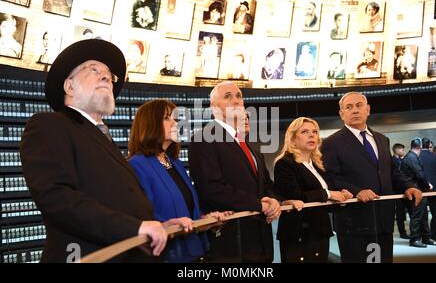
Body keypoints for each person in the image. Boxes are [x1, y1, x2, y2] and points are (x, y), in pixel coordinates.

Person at [19, 39, 176, 262]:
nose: (106, 77)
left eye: (109, 75)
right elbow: (58, 197)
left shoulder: (103, 138)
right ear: (69, 87)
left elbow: (115, 199)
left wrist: (155, 225)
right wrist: (135, 227)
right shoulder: (49, 125)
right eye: (94, 70)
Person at [189, 81, 300, 262]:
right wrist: (259, 205)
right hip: (231, 243)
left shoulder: (250, 147)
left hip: (260, 241)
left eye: (239, 96)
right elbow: (211, 189)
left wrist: (273, 199)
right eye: (228, 96)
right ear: (214, 107)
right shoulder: (203, 138)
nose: (236, 101)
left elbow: (266, 184)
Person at [321, 92, 422, 263]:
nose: (355, 110)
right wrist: (357, 191)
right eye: (349, 107)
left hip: (383, 220)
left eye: (359, 105)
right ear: (341, 114)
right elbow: (330, 177)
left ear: (368, 110)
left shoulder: (382, 140)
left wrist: (408, 186)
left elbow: (391, 172)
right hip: (354, 221)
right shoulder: (331, 143)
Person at [127, 99, 231, 262]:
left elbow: (187, 210)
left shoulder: (175, 163)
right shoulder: (136, 165)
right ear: (150, 124)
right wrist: (166, 225)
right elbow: (141, 216)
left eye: (175, 118)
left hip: (196, 252)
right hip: (167, 256)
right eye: (167, 118)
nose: (175, 123)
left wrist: (204, 221)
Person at [274, 117, 352, 263]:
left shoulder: (318, 165)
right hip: (298, 233)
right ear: (293, 139)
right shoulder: (284, 163)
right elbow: (295, 196)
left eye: (314, 132)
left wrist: (341, 197)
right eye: (304, 132)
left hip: (320, 231)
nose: (312, 135)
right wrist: (329, 194)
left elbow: (325, 198)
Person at [401, 138, 436, 247]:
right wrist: (427, 185)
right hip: (415, 190)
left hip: (418, 190)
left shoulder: (411, 156)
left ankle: (426, 238)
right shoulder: (412, 157)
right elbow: (419, 174)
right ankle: (414, 239)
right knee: (417, 216)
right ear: (420, 147)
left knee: (423, 216)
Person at [420, 138, 436, 241]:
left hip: (422, 188)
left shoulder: (417, 156)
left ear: (421, 145)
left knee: (422, 213)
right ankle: (435, 235)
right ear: (429, 145)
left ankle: (425, 235)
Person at [392, 143, 410, 239]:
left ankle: (404, 232)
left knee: (403, 213)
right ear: (397, 150)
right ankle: (402, 232)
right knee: (400, 213)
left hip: (404, 190)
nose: (403, 151)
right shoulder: (393, 161)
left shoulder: (401, 160)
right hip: (397, 191)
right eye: (402, 150)